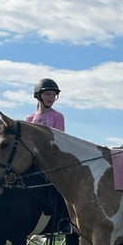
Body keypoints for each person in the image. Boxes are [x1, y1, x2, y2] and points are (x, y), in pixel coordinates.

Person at [26, 78, 72, 234]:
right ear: (38, 96)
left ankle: (65, 219)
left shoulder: (57, 116)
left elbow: (58, 139)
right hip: (33, 160)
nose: (51, 97)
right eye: (47, 94)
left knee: (60, 186)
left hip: (51, 160)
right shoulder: (29, 119)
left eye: (53, 95)